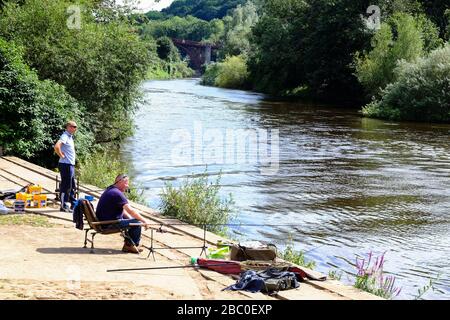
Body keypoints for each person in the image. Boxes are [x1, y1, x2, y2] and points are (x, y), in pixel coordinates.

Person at [95, 174, 149, 253]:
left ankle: (129, 244)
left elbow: (123, 211)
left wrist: (130, 220)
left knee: (133, 221)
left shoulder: (110, 189)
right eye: (126, 183)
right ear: (120, 182)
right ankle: (130, 246)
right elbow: (130, 210)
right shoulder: (117, 193)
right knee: (137, 223)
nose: (127, 186)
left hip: (104, 220)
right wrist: (144, 221)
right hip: (108, 223)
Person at [54, 121, 77, 213]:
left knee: (72, 185)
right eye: (73, 126)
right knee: (65, 186)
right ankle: (63, 205)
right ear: (68, 127)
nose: (75, 129)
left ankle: (73, 203)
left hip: (70, 164)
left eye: (75, 127)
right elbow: (57, 146)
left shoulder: (70, 137)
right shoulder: (65, 136)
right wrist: (61, 155)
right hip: (65, 164)